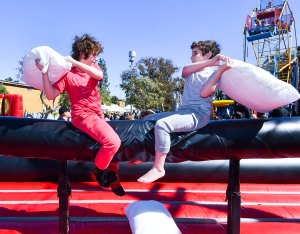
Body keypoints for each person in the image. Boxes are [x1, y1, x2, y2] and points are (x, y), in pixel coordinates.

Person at [36, 34, 125, 196]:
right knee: (112, 141)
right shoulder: (68, 75)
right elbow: (50, 95)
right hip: (83, 117)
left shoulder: (94, 69)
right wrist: (44, 73)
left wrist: (74, 62)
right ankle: (98, 172)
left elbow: (99, 76)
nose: (96, 59)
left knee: (120, 141)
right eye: (94, 55)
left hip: (98, 115)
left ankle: (111, 173)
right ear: (83, 54)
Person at [137, 40, 232, 183]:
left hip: (199, 114)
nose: (191, 57)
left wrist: (219, 69)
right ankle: (140, 155)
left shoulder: (214, 74)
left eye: (195, 53)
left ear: (208, 54)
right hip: (183, 111)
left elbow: (205, 93)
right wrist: (211, 62)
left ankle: (159, 168)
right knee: (148, 118)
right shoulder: (192, 71)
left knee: (162, 125)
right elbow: (185, 70)